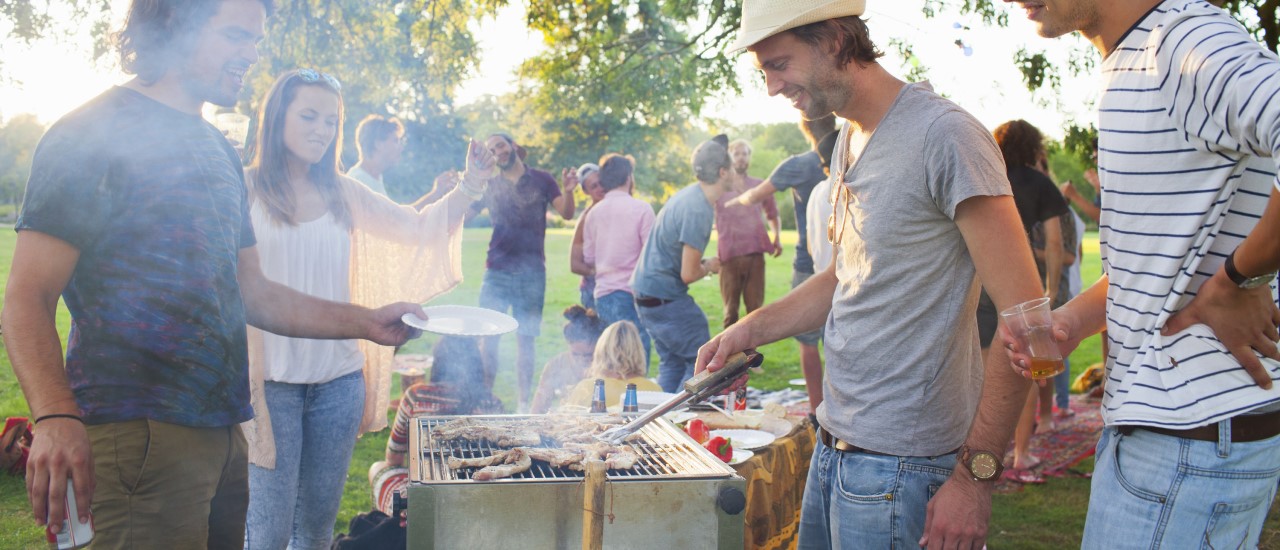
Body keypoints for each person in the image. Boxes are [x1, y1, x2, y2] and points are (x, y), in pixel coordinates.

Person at [2, 1, 428, 547]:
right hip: (136, 436)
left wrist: (367, 321)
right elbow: (26, 298)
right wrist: (56, 415)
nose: (251, 55)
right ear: (173, 27)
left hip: (226, 434)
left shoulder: (217, 150)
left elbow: (254, 291)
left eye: (254, 40)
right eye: (234, 36)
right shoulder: (90, 132)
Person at [698, 2, 1049, 548]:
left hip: (906, 468)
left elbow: (1027, 319)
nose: (771, 86)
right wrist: (750, 329)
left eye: (780, 64)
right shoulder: (846, 139)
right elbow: (844, 279)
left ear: (836, 41)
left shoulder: (946, 135)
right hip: (834, 446)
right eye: (763, 70)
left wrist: (974, 480)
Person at [1003, 0, 1280, 546]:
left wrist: (1240, 278)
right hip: (1179, 439)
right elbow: (1150, 263)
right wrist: (1070, 324)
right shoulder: (1134, 61)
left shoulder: (1178, 41)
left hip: (1187, 441)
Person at [239, 69, 493, 549]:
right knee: (267, 534)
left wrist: (471, 184)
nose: (321, 130)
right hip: (268, 388)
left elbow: (415, 230)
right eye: (308, 116)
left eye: (331, 120)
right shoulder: (243, 188)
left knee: (313, 532)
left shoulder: (344, 191)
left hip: (337, 385)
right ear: (276, 118)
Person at [976, 119, 1068, 484]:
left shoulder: (986, 175)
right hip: (1022, 280)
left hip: (980, 278)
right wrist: (1053, 289)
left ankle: (979, 457)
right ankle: (1021, 454)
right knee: (1029, 371)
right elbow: (1056, 242)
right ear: (1033, 146)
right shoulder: (1040, 183)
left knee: (983, 372)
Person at [729, 115, 838, 410]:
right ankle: (836, 407)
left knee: (808, 341)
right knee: (840, 339)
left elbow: (755, 195)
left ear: (805, 129)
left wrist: (731, 201)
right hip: (854, 265)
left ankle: (816, 409)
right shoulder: (856, 156)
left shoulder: (799, 166)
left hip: (810, 263)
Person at [471, 132, 579, 412]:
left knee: (526, 340)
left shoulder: (542, 179)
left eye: (501, 145)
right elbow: (462, 214)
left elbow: (566, 213)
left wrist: (568, 190)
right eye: (491, 149)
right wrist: (467, 182)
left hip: (531, 273)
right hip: (496, 271)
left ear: (514, 146)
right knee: (489, 340)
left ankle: (522, 405)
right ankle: (486, 400)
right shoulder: (489, 185)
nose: (498, 152)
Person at [631, 135, 734, 393]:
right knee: (703, 364)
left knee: (673, 364)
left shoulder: (689, 196)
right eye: (730, 168)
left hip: (646, 293)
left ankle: (655, 421)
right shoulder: (699, 208)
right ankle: (680, 420)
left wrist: (705, 262)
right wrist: (710, 266)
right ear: (723, 172)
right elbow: (688, 273)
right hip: (664, 298)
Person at [369, 336, 502, 515]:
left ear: (438, 362)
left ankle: (399, 523)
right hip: (478, 497)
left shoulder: (417, 396)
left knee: (377, 468)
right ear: (477, 365)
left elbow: (393, 459)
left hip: (426, 500)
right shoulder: (492, 403)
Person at [581, 153, 656, 364]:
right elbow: (651, 256)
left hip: (603, 295)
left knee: (610, 357)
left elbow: (588, 257)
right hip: (632, 294)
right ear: (628, 177)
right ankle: (635, 397)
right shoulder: (642, 209)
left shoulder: (593, 213)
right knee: (636, 357)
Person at [714, 140, 781, 328]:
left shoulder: (760, 186)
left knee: (754, 312)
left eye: (745, 154)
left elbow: (772, 214)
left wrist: (776, 237)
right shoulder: (720, 188)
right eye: (737, 154)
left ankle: (751, 356)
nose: (741, 158)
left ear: (749, 158)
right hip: (729, 256)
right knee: (730, 313)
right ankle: (730, 356)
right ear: (730, 158)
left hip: (755, 255)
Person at [564, 321, 663, 409]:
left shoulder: (587, 388)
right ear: (639, 352)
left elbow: (564, 424)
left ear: (601, 351)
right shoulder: (654, 391)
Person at [530, 306, 607, 414]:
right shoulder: (556, 365)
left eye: (588, 355)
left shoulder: (608, 366)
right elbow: (537, 409)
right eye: (575, 354)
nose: (581, 360)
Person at [569, 163, 605, 309]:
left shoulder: (622, 208)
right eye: (594, 186)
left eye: (601, 183)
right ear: (585, 191)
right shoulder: (586, 218)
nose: (600, 188)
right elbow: (574, 264)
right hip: (593, 291)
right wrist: (599, 273)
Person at [347, 114, 404, 197]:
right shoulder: (357, 181)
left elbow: (391, 210)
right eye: (395, 141)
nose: (401, 148)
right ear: (378, 144)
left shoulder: (375, 177)